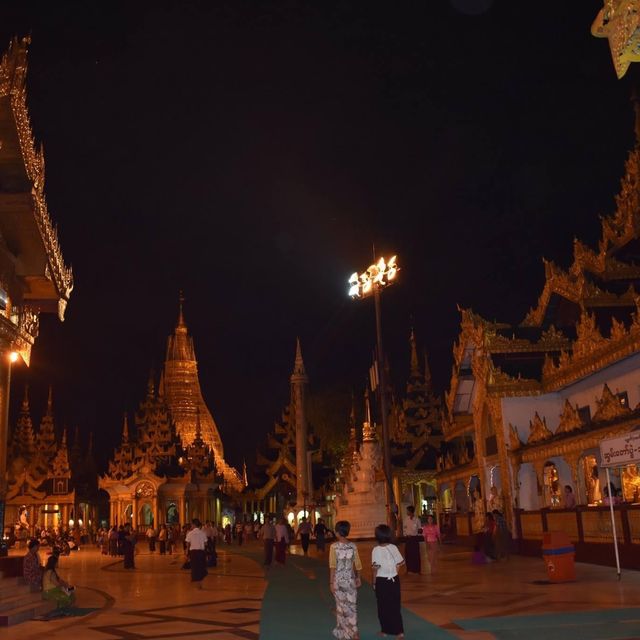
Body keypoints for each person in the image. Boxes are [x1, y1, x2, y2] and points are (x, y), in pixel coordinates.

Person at [329, 520, 362, 640]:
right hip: (351, 580)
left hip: (338, 580)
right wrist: (358, 577)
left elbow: (333, 565)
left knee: (341, 606)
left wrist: (331, 582)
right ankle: (354, 632)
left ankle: (344, 633)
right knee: (352, 605)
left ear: (337, 532)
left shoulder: (334, 547)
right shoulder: (353, 546)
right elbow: (358, 564)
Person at [372, 524, 405, 639]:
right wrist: (394, 572)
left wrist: (374, 582)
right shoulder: (393, 547)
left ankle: (394, 631)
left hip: (382, 581)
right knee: (391, 606)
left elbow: (375, 569)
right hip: (393, 580)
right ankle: (392, 631)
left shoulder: (376, 550)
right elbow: (400, 563)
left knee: (385, 606)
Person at [185, 519, 208, 588]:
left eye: (191, 524)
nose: (191, 526)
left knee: (195, 567)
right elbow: (206, 543)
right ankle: (200, 582)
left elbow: (188, 544)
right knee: (201, 567)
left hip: (193, 553)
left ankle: (197, 582)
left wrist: (187, 553)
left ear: (194, 525)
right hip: (201, 552)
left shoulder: (190, 533)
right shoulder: (203, 533)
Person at [403, 505, 421, 574]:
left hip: (414, 538)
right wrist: (405, 534)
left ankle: (417, 570)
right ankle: (409, 569)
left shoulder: (417, 520)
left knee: (416, 554)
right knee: (408, 554)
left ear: (411, 511)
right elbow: (404, 528)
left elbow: (419, 529)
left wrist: (419, 531)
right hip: (408, 539)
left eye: (407, 510)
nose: (406, 512)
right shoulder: (405, 519)